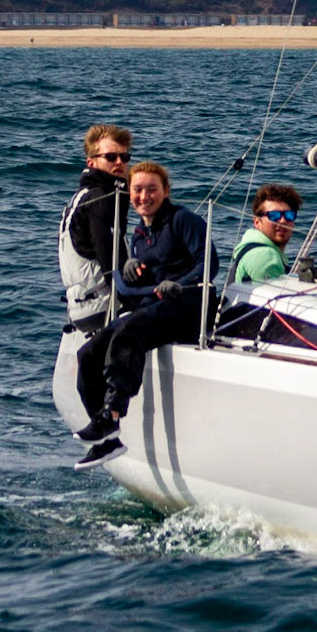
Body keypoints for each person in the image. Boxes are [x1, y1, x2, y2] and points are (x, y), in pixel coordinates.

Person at [73, 160, 218, 466]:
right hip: (155, 309)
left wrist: (180, 284)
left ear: (166, 191)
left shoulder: (183, 220)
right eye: (137, 189)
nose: (144, 196)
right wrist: (129, 270)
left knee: (130, 331)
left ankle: (113, 412)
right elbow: (142, 279)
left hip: (188, 307)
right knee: (88, 354)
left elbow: (209, 263)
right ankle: (107, 439)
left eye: (152, 189)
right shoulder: (139, 234)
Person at [58, 124, 132, 331]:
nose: (119, 162)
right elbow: (109, 258)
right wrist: (136, 300)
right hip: (103, 307)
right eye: (110, 157)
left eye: (124, 157)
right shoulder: (100, 198)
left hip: (81, 309)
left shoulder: (82, 196)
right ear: (91, 162)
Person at [231, 183, 302, 284]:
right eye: (274, 215)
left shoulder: (251, 246)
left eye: (289, 215)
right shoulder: (264, 256)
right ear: (257, 222)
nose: (282, 221)